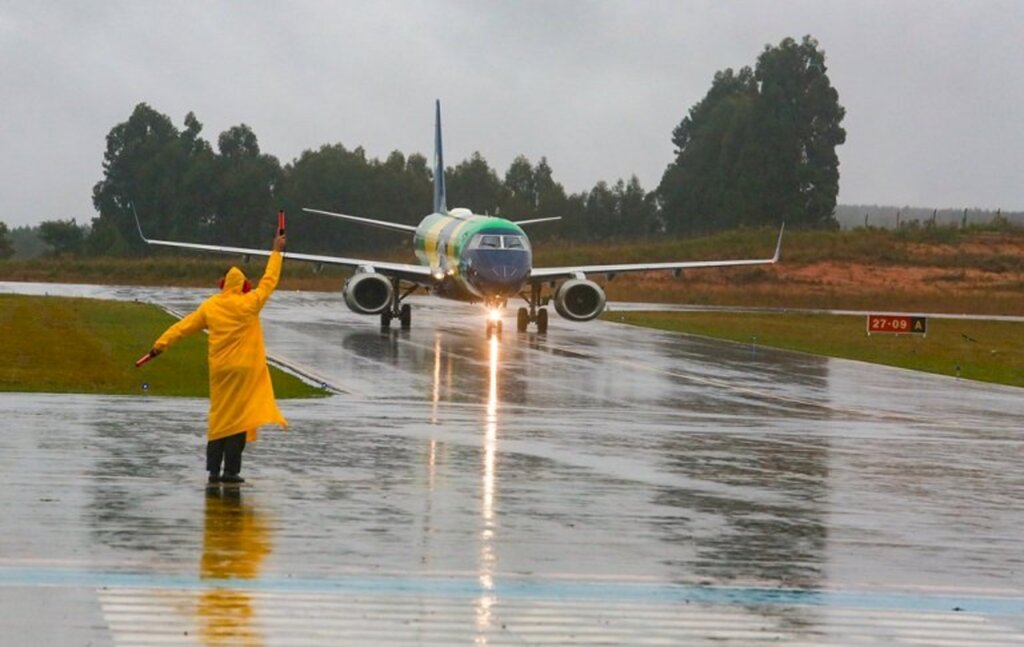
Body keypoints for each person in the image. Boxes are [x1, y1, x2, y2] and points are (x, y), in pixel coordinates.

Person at [148, 233, 288, 484]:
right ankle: (231, 471)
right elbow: (269, 280)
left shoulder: (210, 306)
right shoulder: (251, 302)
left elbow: (184, 327)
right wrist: (276, 251)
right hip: (244, 370)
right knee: (238, 421)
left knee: (219, 417)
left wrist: (159, 345)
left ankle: (213, 470)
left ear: (223, 283)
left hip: (221, 371)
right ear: (244, 284)